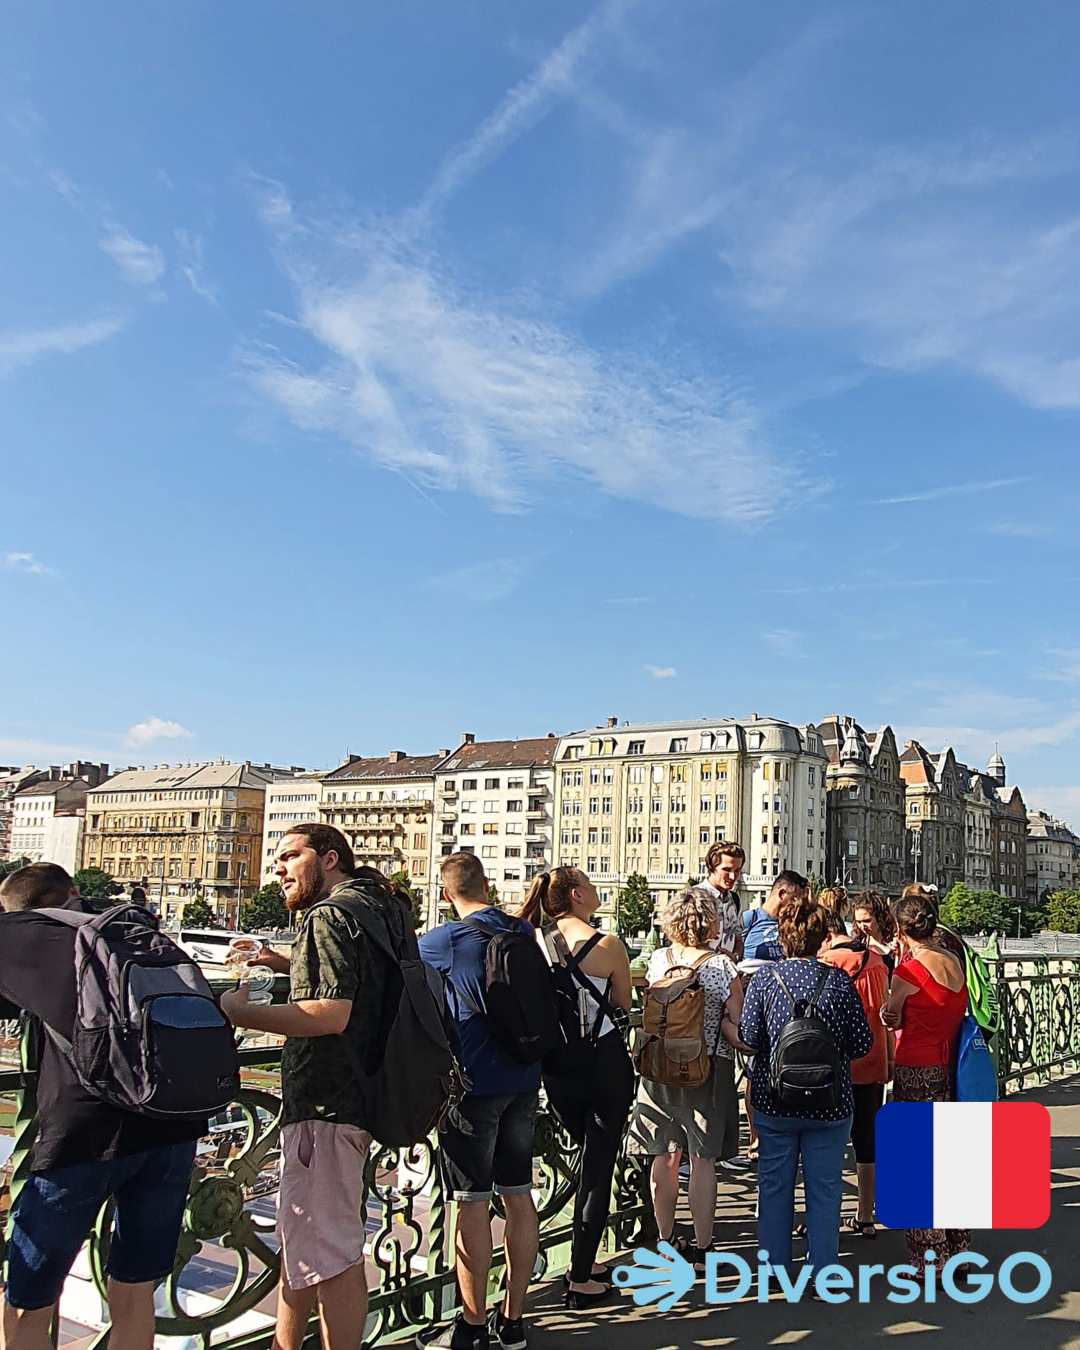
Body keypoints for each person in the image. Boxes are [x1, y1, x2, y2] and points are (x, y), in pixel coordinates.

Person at [0, 863, 206, 1350]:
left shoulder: (20, 937)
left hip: (83, 1135)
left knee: (28, 1303)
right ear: (74, 892)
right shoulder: (136, 927)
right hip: (171, 1126)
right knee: (134, 1295)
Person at [222, 824, 411, 1350]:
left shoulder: (327, 915)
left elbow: (330, 1014)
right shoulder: (379, 904)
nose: (277, 867)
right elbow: (365, 981)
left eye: (290, 856)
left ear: (328, 859)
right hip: (364, 1090)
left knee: (330, 1252)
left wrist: (243, 1010)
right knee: (306, 1245)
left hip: (326, 1098)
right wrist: (287, 963)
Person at [415, 853, 540, 1350]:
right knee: (518, 1194)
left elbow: (390, 977)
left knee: (469, 1203)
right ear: (487, 886)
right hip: (525, 1077)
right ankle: (512, 1322)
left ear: (447, 894)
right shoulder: (522, 933)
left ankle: (469, 1325)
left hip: (472, 1084)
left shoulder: (443, 940)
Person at [739, 893, 872, 1274]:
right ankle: (823, 1272)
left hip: (774, 1098)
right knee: (826, 1190)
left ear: (783, 937)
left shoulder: (765, 980)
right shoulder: (839, 982)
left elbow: (750, 1036)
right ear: (823, 940)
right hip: (830, 1101)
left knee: (775, 1188)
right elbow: (862, 1043)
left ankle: (774, 1273)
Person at [519, 869, 633, 1309]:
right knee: (598, 1165)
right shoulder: (607, 945)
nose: (596, 889)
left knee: (584, 1155)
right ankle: (582, 1277)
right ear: (576, 895)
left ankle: (582, 1258)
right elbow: (623, 1005)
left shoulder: (532, 941)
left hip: (557, 1067)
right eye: (590, 883)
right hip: (603, 1062)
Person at [628, 888, 748, 1271]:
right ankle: (703, 1249)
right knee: (702, 1160)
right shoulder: (722, 968)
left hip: (660, 1068)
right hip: (707, 1068)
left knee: (663, 1156)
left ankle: (665, 1240)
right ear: (711, 923)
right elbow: (737, 1020)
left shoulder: (659, 960)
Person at [881, 891, 970, 1274]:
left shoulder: (907, 973)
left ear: (900, 931)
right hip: (951, 1067)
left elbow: (893, 1017)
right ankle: (960, 1247)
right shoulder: (954, 962)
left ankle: (930, 1259)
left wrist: (889, 1013)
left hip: (916, 1069)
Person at [818, 909, 892, 1238]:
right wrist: (888, 1059)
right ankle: (865, 1214)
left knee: (827, 1141)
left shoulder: (826, 962)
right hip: (873, 1057)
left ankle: (825, 1216)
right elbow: (885, 1013)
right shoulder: (875, 960)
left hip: (835, 1061)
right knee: (867, 1139)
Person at [690, 842, 746, 959]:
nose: (732, 877)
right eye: (726, 870)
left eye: (737, 871)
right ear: (711, 867)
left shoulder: (734, 899)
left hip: (727, 972)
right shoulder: (693, 898)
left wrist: (735, 956)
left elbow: (738, 939)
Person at [741, 870, 808, 962]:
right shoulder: (749, 919)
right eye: (795, 899)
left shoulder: (793, 923)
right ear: (782, 894)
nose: (798, 905)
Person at [850, 889, 898, 975]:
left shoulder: (895, 944)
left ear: (879, 918)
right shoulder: (858, 946)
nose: (862, 926)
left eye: (867, 921)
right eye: (858, 922)